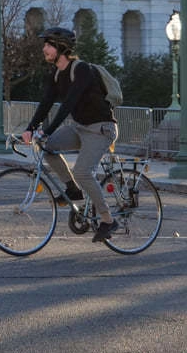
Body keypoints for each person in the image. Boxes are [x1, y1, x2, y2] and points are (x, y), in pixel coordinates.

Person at [20, 26, 120, 243]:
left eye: (48, 45)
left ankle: (108, 219)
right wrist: (30, 128)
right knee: (48, 147)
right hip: (80, 127)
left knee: (83, 171)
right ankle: (73, 190)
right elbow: (46, 103)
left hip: (101, 128)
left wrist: (46, 130)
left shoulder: (81, 70)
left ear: (61, 47)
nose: (44, 49)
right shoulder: (56, 74)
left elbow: (68, 104)